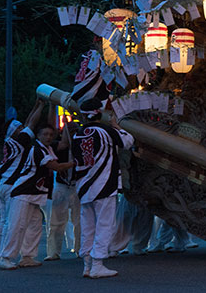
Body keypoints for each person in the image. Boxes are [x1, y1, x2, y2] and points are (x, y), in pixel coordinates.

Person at [0, 100, 75, 270]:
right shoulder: (35, 148)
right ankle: (5, 257)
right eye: (44, 135)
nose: (48, 137)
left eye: (50, 135)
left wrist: (49, 106)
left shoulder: (45, 148)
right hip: (23, 192)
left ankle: (27, 256)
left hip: (33, 192)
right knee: (16, 225)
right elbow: (55, 166)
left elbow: (52, 134)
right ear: (37, 136)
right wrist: (74, 163)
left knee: (34, 225)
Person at [71, 98, 134, 278]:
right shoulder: (107, 131)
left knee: (88, 226)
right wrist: (116, 125)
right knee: (104, 225)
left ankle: (87, 264)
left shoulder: (78, 133)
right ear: (100, 113)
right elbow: (128, 141)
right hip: (104, 184)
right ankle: (98, 263)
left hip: (84, 186)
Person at [0, 117, 27, 263]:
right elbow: (30, 125)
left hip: (3, 184)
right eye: (18, 127)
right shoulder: (18, 144)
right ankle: (3, 252)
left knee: (3, 220)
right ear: (12, 130)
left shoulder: (6, 143)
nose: (22, 129)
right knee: (10, 221)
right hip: (12, 185)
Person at [45, 121, 81, 261]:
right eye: (70, 131)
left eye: (75, 130)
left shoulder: (81, 145)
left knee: (79, 221)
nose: (73, 133)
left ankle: (80, 249)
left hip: (76, 185)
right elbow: (63, 145)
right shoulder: (58, 146)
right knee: (56, 221)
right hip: (61, 185)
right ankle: (53, 252)